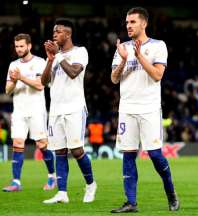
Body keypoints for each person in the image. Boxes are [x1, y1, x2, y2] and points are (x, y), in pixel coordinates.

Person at [110, 7, 180, 213]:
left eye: (132, 22)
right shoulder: (122, 47)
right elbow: (114, 79)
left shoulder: (158, 46)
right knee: (128, 155)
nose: (128, 26)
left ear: (144, 23)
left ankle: (171, 193)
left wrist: (139, 56)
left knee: (156, 155)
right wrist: (123, 59)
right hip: (127, 109)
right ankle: (131, 202)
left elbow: (158, 75)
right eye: (127, 22)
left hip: (149, 109)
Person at [41, 19, 97, 204]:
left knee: (77, 150)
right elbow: (43, 82)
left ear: (68, 34)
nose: (54, 34)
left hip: (74, 108)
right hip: (56, 110)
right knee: (60, 152)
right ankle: (62, 193)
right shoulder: (54, 56)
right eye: (53, 31)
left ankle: (90, 184)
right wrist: (50, 60)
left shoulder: (80, 52)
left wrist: (57, 55)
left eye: (58, 31)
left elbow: (74, 72)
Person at [3, 33, 56, 192]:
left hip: (36, 110)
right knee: (17, 144)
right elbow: (7, 90)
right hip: (19, 111)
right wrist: (14, 81)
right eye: (17, 46)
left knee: (42, 144)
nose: (18, 49)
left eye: (21, 46)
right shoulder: (13, 65)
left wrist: (21, 77)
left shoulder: (40, 62)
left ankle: (52, 176)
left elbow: (40, 85)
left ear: (29, 46)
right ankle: (16, 182)